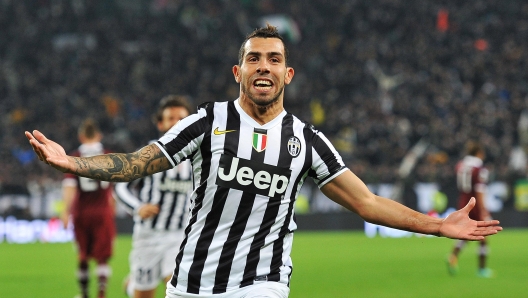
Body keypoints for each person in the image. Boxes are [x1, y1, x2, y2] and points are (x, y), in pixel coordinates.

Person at [26, 25, 502, 298]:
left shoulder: (306, 141)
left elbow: (368, 202)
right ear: (239, 71)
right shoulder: (204, 123)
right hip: (191, 282)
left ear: (287, 74)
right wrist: (74, 164)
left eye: (274, 60)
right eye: (254, 59)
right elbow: (136, 162)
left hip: (263, 282)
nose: (264, 67)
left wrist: (437, 226)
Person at [115, 95, 194, 298]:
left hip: (180, 236)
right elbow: (120, 187)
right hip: (148, 236)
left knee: (178, 290)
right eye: (171, 118)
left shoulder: (198, 156)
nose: (177, 122)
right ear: (161, 124)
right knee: (143, 294)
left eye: (182, 118)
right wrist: (138, 207)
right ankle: (132, 287)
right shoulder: (149, 154)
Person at [60, 119, 116, 298]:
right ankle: (101, 294)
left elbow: (70, 187)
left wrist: (65, 212)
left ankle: (84, 294)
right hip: (102, 212)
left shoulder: (74, 156)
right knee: (102, 256)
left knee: (83, 255)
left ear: (81, 136)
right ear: (99, 135)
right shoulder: (108, 155)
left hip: (81, 213)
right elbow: (115, 188)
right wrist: (111, 209)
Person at [447, 141, 494, 278]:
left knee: (466, 233)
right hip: (475, 204)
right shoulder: (479, 169)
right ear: (479, 153)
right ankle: (482, 269)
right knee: (483, 235)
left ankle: (453, 255)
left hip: (463, 202)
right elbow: (479, 190)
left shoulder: (461, 165)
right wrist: (483, 209)